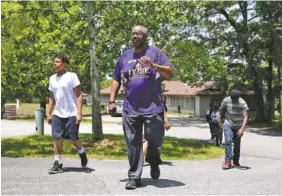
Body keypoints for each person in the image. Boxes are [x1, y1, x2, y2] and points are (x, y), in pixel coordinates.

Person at [109, 25, 174, 189]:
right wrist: (111, 100)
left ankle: (153, 159)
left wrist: (154, 66)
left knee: (154, 139)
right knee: (133, 143)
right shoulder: (124, 56)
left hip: (153, 107)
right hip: (130, 107)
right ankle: (134, 177)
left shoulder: (156, 53)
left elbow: (170, 73)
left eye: (138, 34)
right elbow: (116, 78)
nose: (134, 37)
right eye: (133, 34)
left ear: (145, 37)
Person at [47, 54, 88, 174]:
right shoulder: (52, 78)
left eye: (57, 61)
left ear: (64, 64)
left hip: (71, 113)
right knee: (57, 137)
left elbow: (79, 95)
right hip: (58, 113)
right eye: (54, 61)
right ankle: (57, 163)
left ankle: (81, 152)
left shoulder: (72, 76)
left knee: (73, 139)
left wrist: (79, 113)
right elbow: (51, 97)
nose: (54, 63)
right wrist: (49, 113)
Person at [219, 89, 248, 169]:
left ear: (238, 98)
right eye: (232, 99)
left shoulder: (242, 102)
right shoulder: (226, 100)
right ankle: (227, 161)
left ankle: (236, 161)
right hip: (228, 123)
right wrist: (220, 120)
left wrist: (242, 129)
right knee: (228, 141)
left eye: (235, 99)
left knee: (237, 144)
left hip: (238, 125)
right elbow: (222, 110)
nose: (233, 100)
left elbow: (245, 116)